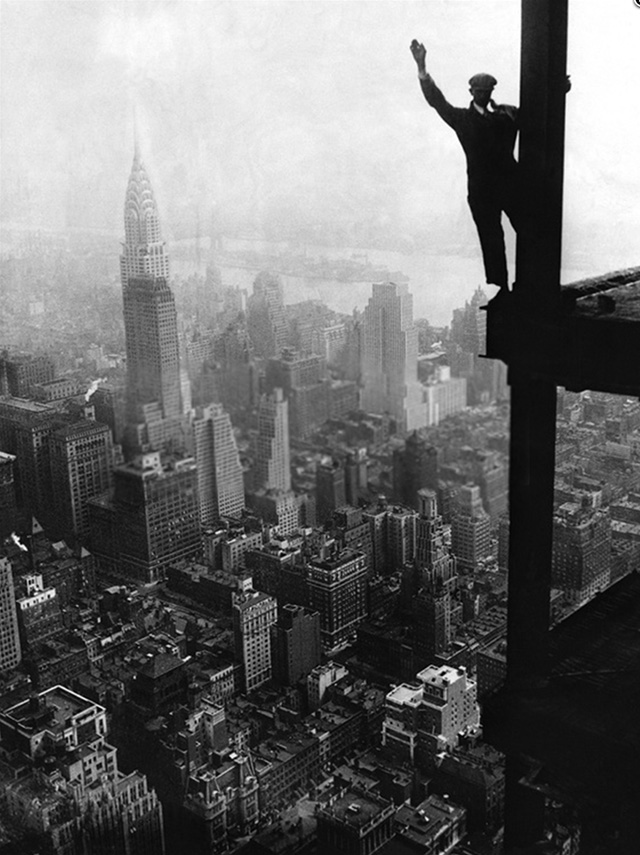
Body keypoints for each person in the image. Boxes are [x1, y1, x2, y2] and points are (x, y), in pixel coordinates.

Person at [410, 39, 522, 294]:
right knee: (491, 239)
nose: (483, 93)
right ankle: (502, 287)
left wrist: (559, 90)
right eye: (478, 90)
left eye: (487, 90)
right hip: (482, 192)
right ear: (471, 92)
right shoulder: (462, 119)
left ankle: (529, 282)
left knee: (528, 230)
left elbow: (537, 114)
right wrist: (422, 68)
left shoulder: (506, 117)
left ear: (491, 91)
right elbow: (437, 101)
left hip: (509, 186)